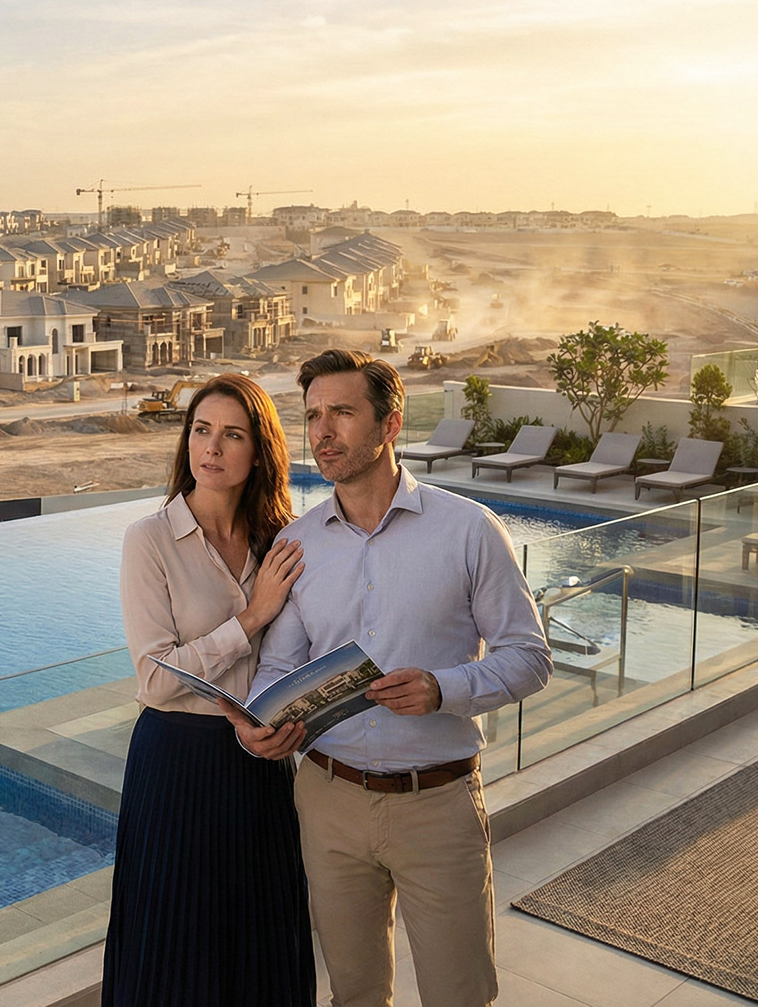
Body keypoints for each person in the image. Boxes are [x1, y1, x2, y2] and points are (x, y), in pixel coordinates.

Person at [229, 349, 551, 1007]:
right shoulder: (299, 544)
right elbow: (280, 663)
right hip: (329, 802)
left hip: (437, 804)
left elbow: (529, 655)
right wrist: (264, 723)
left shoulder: (468, 531)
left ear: (390, 423)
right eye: (313, 415)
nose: (322, 431)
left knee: (459, 993)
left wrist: (444, 687)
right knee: (354, 993)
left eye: (342, 412)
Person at [103, 372, 315, 1006]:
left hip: (260, 766)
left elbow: (306, 653)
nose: (211, 448)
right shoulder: (149, 542)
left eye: (231, 434)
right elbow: (155, 678)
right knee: (174, 946)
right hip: (176, 766)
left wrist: (297, 722)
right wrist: (251, 616)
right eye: (200, 431)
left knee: (259, 938)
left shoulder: (282, 541)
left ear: (259, 451)